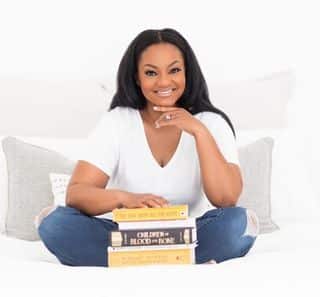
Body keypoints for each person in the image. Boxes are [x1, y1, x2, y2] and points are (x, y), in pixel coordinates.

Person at [37, 28, 259, 267]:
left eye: (174, 70)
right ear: (136, 77)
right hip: (121, 234)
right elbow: (77, 194)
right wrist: (125, 199)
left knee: (237, 223)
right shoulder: (118, 121)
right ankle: (175, 259)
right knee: (56, 225)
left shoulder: (210, 124)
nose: (164, 82)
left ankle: (131, 259)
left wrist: (199, 131)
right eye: (151, 73)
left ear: (187, 73)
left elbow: (226, 199)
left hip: (188, 233)